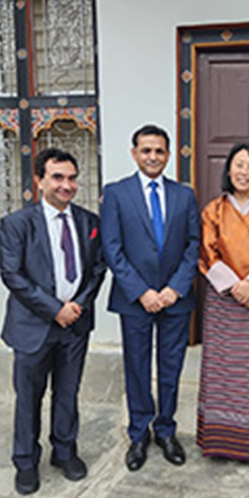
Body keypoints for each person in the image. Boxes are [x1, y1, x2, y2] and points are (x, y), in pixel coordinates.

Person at [0, 148, 108, 496]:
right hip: (33, 327)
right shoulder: (17, 224)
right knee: (29, 398)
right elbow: (12, 275)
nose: (66, 185)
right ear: (39, 180)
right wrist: (53, 309)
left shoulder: (90, 222)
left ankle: (64, 451)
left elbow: (97, 269)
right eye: (58, 177)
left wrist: (77, 306)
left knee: (67, 394)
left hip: (74, 327)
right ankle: (26, 462)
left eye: (72, 178)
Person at [100, 124, 202, 472]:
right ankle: (139, 434)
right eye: (146, 150)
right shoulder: (116, 193)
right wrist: (142, 291)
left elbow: (193, 245)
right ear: (134, 153)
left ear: (168, 155)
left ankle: (166, 430)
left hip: (176, 299)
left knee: (171, 369)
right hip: (134, 300)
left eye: (159, 151)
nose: (153, 157)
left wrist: (174, 288)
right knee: (138, 368)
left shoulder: (184, 195)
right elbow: (112, 249)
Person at [195, 142, 249, 463]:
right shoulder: (213, 209)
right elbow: (207, 253)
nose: (244, 172)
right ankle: (221, 440)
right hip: (224, 300)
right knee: (224, 370)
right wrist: (235, 286)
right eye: (238, 165)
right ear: (228, 170)